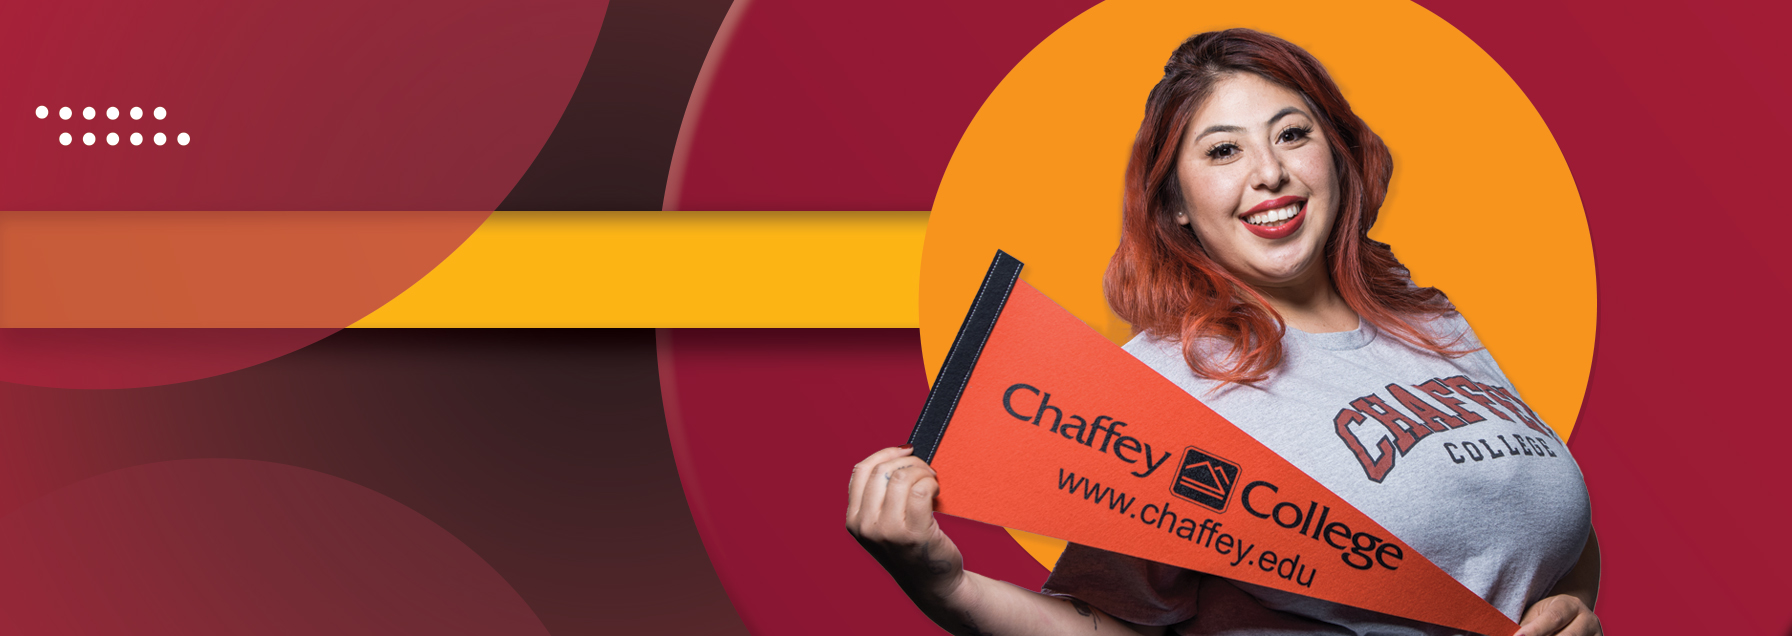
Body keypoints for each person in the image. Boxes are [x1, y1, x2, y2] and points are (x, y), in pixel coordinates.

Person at [845, 29, 1601, 636]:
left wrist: (1572, 608)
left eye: (1292, 134)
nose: (1268, 172)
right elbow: (1111, 625)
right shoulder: (1164, 385)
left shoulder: (1433, 322)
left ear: (1337, 156)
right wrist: (944, 587)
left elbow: (1544, 526)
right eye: (1223, 150)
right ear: (1175, 203)